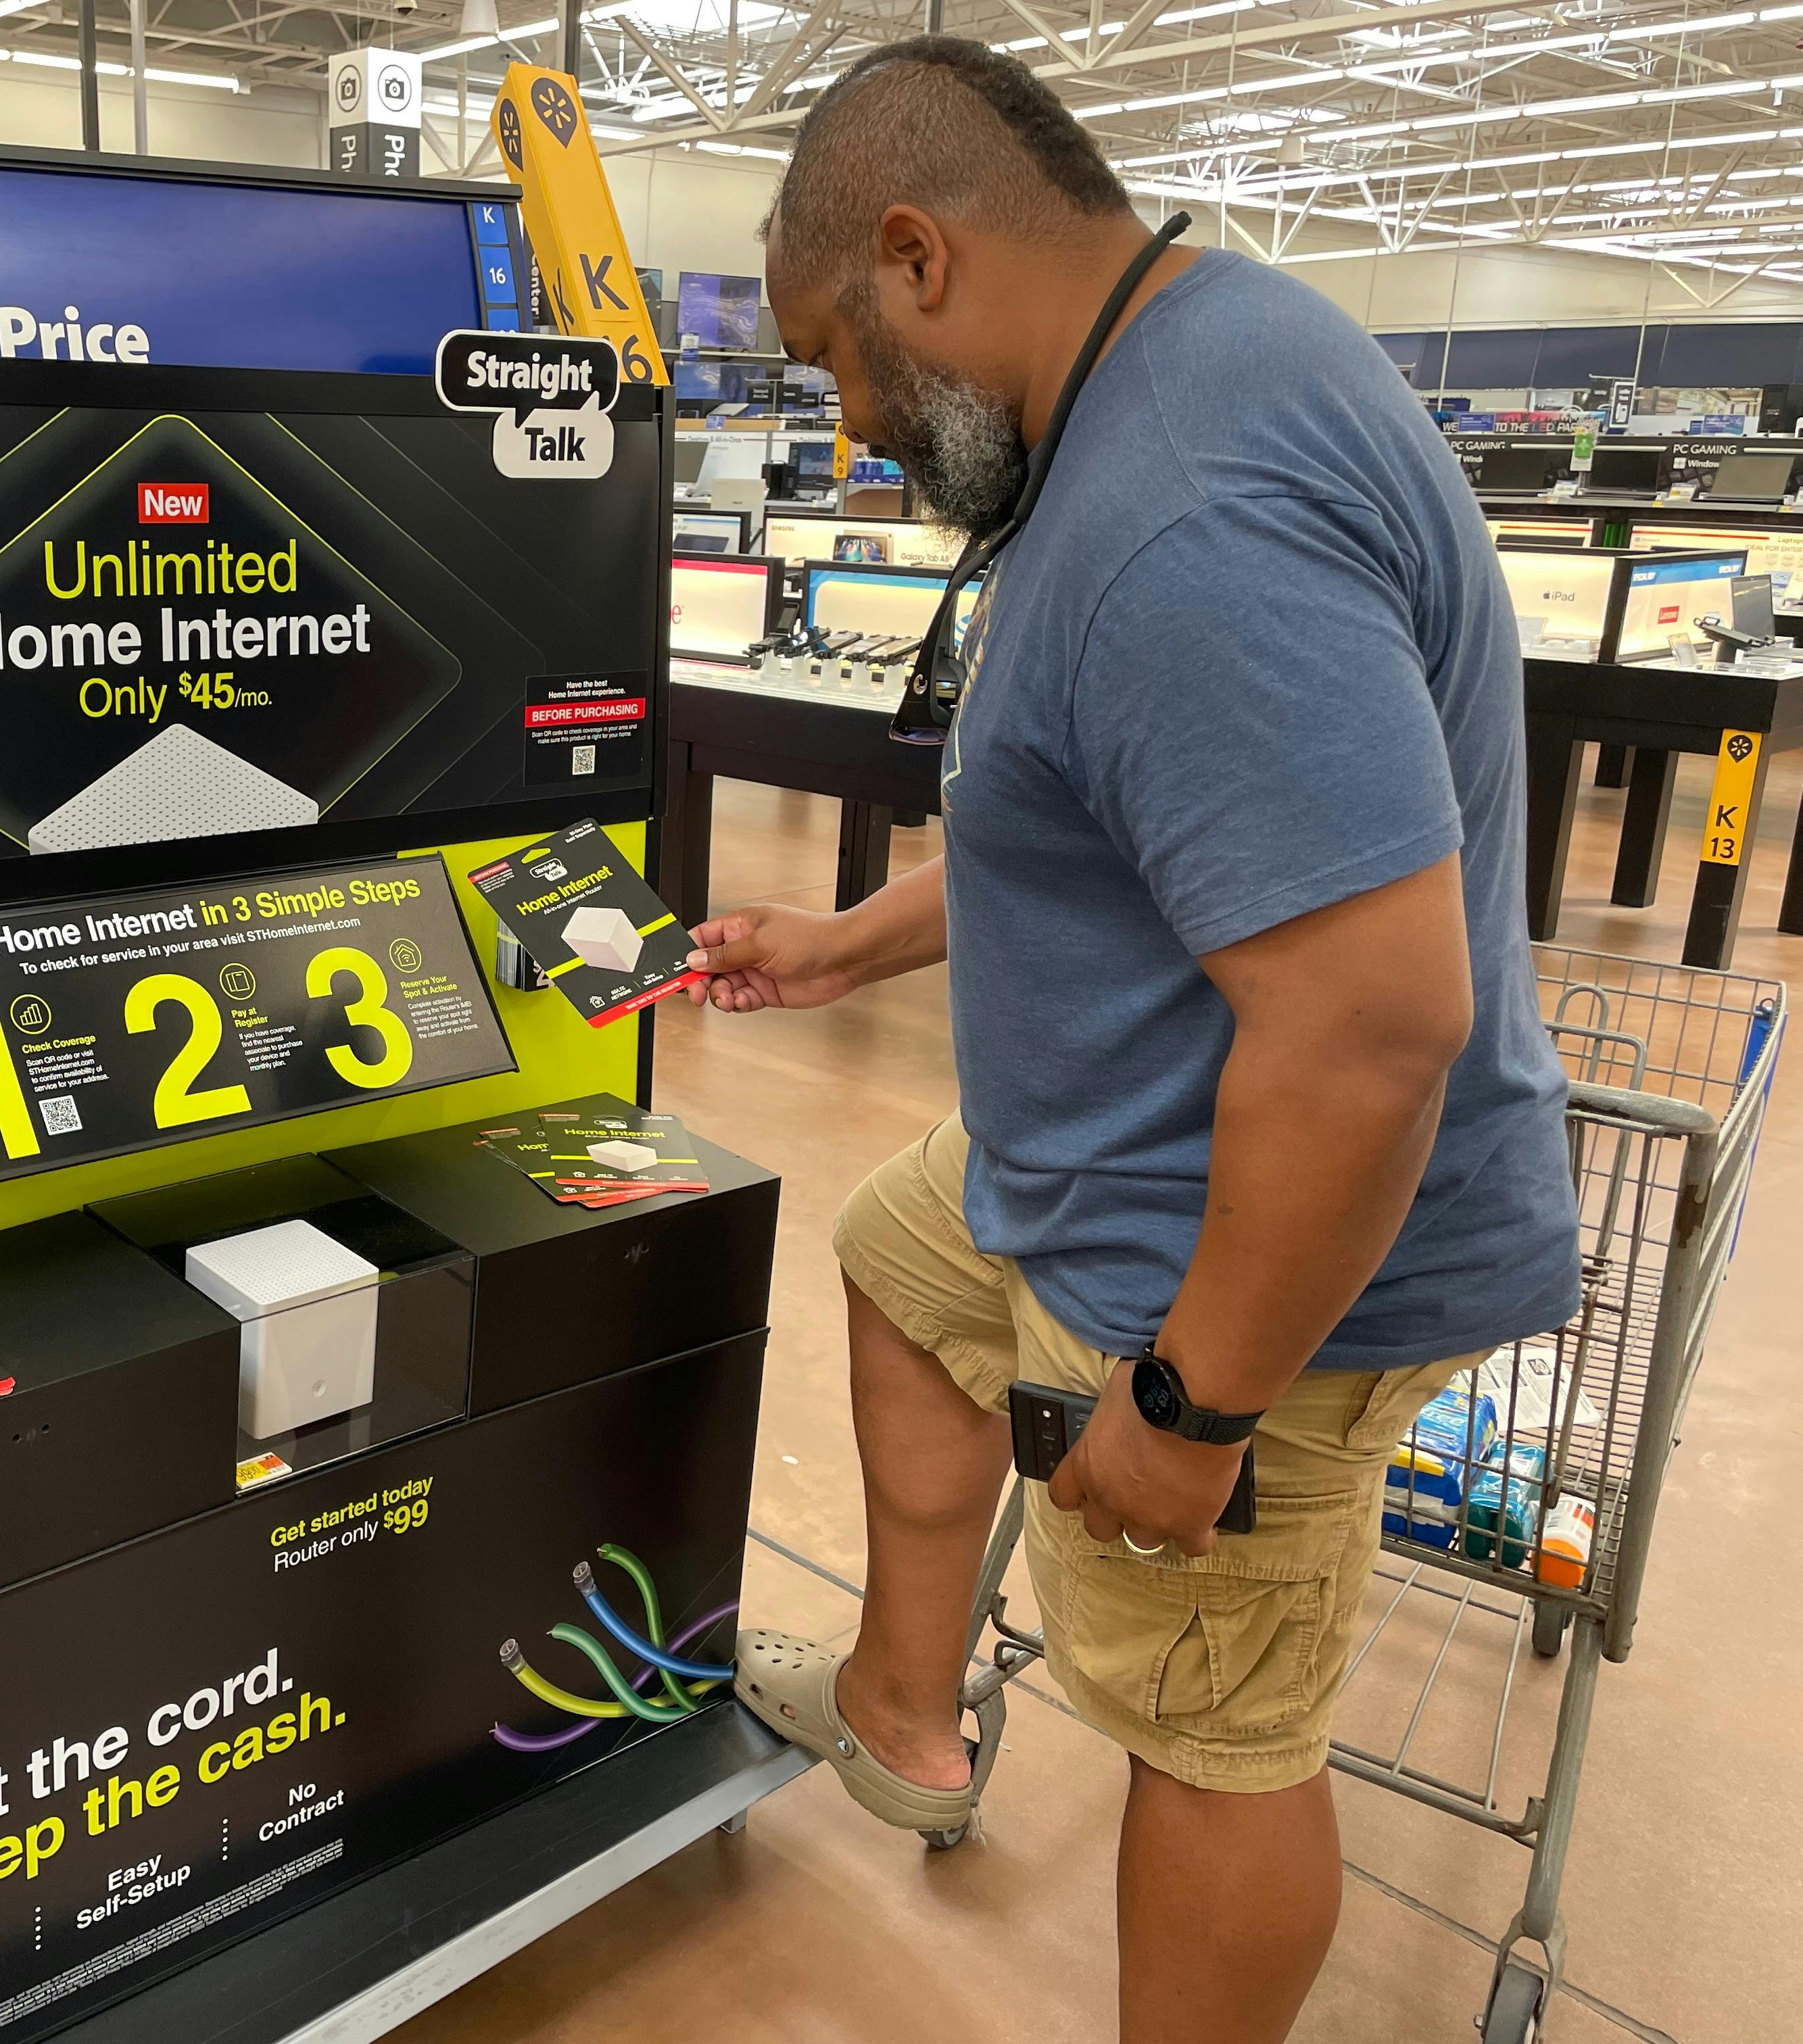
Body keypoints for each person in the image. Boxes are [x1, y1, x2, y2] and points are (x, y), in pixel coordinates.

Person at [694, 36, 1581, 2044]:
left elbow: (1366, 1034)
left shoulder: (1183, 516)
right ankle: (908, 1713)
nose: (849, 431)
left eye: (842, 362)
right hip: (1104, 1155)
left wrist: (1193, 1409)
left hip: (1239, 1247)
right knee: (906, 1254)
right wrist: (850, 943)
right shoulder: (1175, 371)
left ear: (920, 255)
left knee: (1214, 1726)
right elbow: (1118, 830)